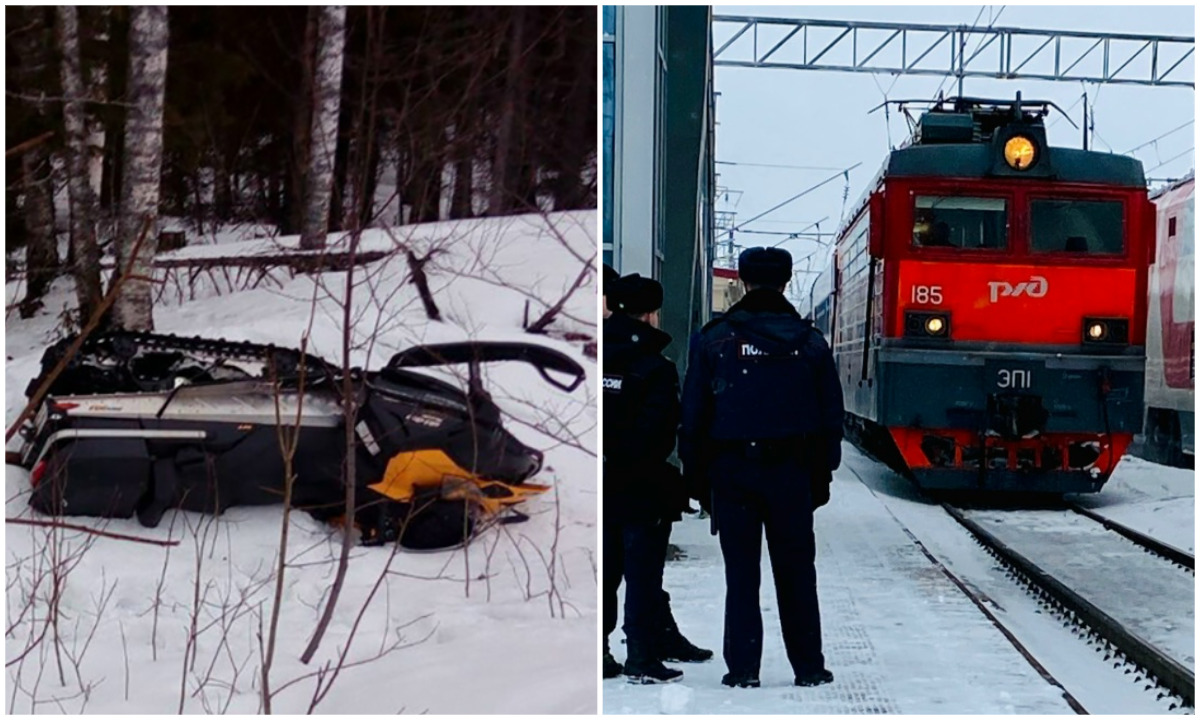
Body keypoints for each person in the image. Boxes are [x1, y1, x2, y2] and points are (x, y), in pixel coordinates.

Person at [679, 247, 844, 690]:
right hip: (792, 472)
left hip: (732, 472)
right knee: (796, 574)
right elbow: (832, 416)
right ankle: (808, 666)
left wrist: (697, 479)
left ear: (744, 281)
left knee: (742, 575)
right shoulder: (809, 342)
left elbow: (693, 415)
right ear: (787, 281)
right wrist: (821, 475)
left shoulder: (714, 338)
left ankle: (743, 669)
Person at [603, 273, 710, 684]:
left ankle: (600, 652)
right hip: (643, 488)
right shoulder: (656, 368)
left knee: (607, 574)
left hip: (603, 485)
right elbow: (661, 432)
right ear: (651, 314)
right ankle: (642, 658)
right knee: (643, 577)